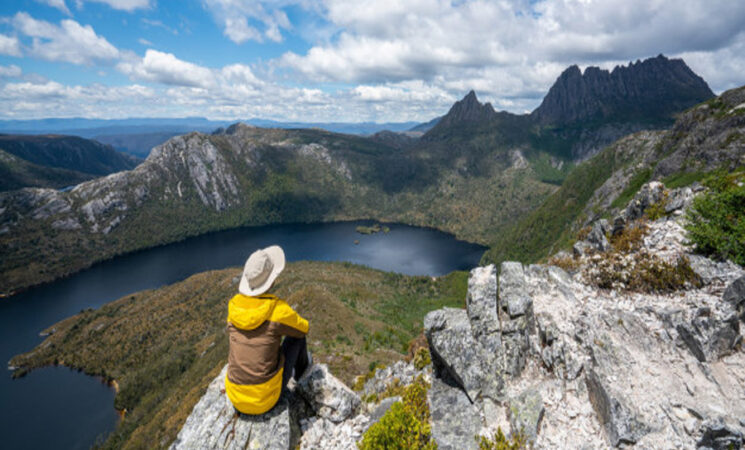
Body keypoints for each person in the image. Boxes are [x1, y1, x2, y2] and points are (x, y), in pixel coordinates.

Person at [225, 245, 310, 415]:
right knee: (297, 338)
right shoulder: (276, 310)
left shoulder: (234, 307)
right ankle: (303, 378)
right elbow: (304, 328)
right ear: (271, 280)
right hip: (265, 399)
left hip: (235, 397)